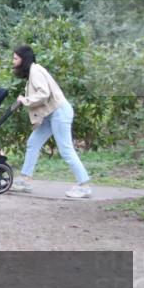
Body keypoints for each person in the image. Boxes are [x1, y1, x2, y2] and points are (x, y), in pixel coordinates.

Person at [9, 45, 92, 198]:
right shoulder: (33, 72)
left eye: (15, 58)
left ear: (23, 59)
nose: (13, 61)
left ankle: (84, 185)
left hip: (59, 112)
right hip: (50, 114)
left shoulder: (35, 71)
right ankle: (25, 180)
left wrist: (25, 100)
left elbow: (44, 93)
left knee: (66, 149)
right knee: (33, 143)